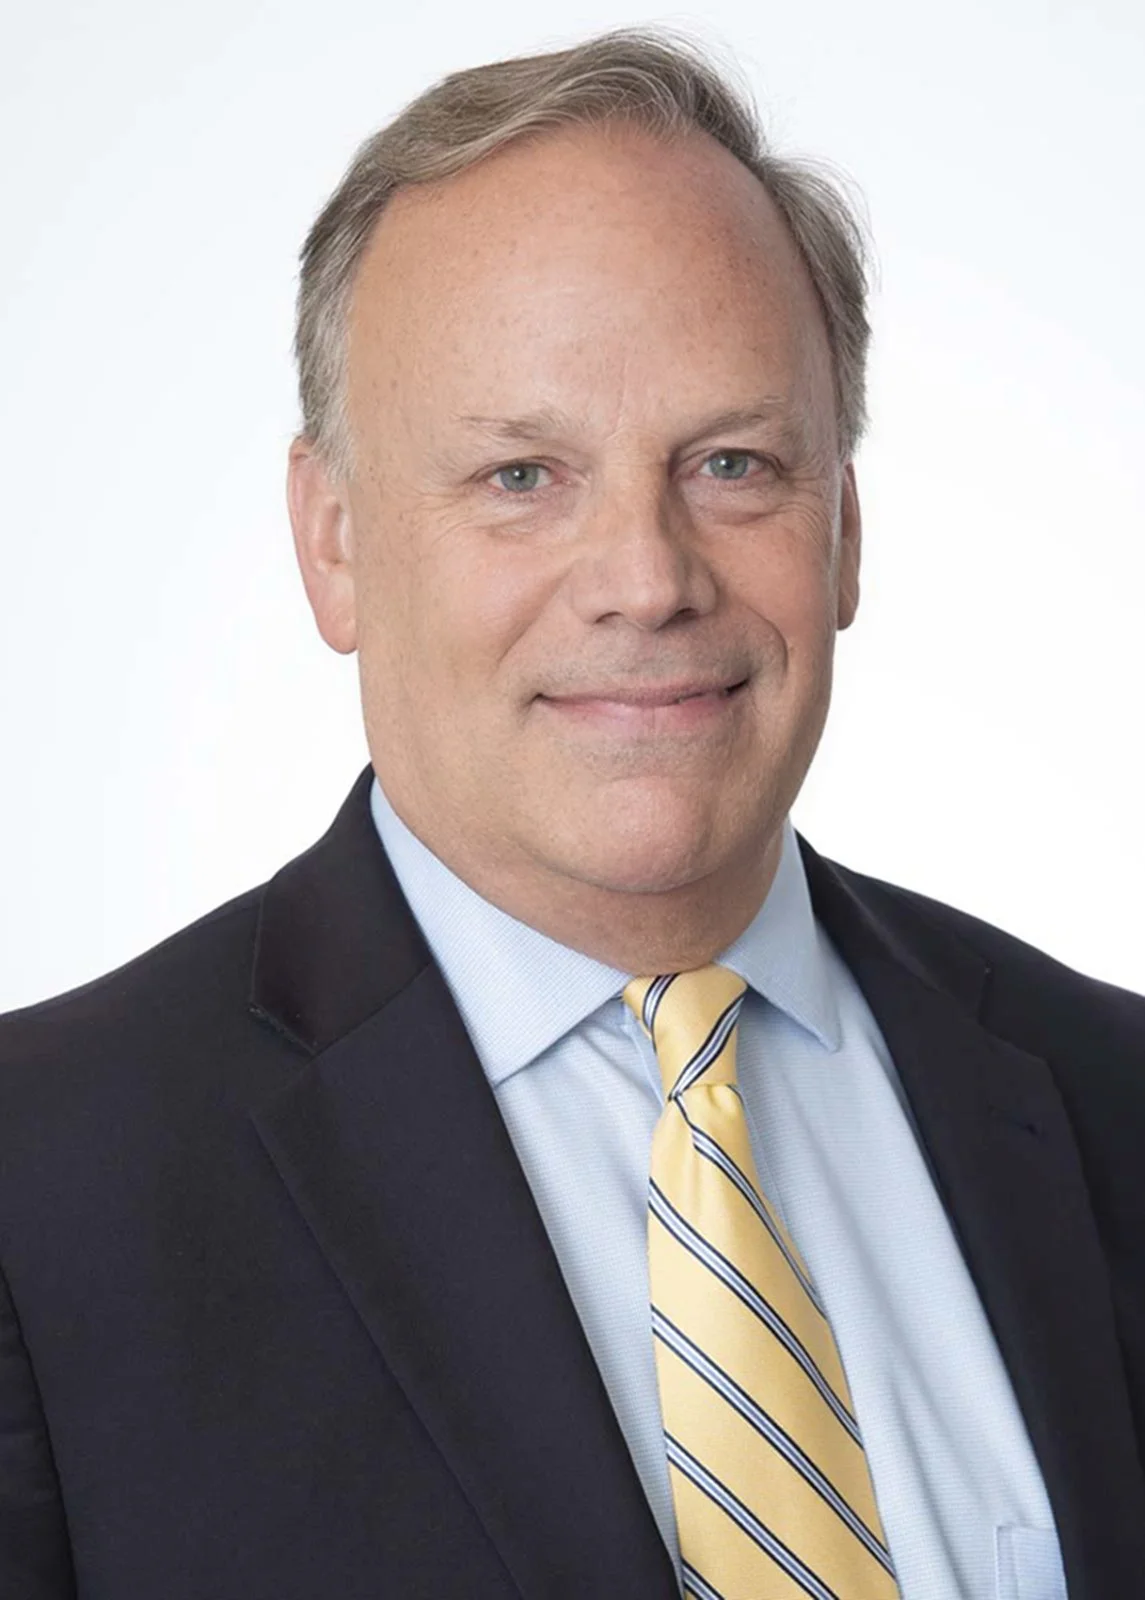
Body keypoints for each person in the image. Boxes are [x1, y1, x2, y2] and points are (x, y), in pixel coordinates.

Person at [0, 26, 1141, 1600]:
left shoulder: (1114, 1101)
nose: (650, 580)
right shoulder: (40, 1189)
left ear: (847, 529)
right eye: (524, 477)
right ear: (332, 544)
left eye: (733, 464)